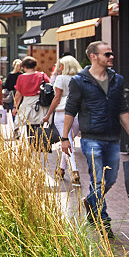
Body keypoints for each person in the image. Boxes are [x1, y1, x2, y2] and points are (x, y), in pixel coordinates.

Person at [61, 41, 129, 239]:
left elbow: (122, 108)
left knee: (110, 179)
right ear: (93, 56)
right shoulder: (79, 81)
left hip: (113, 137)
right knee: (98, 179)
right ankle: (104, 221)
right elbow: (71, 109)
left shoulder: (117, 79)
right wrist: (65, 137)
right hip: (91, 138)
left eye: (112, 54)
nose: (111, 57)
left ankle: (89, 201)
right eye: (107, 54)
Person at [44, 55, 83, 185]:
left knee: (67, 141)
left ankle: (74, 171)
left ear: (64, 66)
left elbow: (57, 98)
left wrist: (48, 114)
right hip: (77, 113)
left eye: (61, 65)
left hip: (62, 113)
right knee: (69, 141)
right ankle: (61, 170)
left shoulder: (61, 78)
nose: (59, 68)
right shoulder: (81, 78)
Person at [12, 56, 49, 133]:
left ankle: (31, 143)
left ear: (24, 66)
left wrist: (15, 107)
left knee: (29, 126)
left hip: (27, 102)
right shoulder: (42, 75)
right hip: (40, 102)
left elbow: (18, 94)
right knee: (40, 125)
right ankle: (39, 142)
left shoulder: (21, 77)